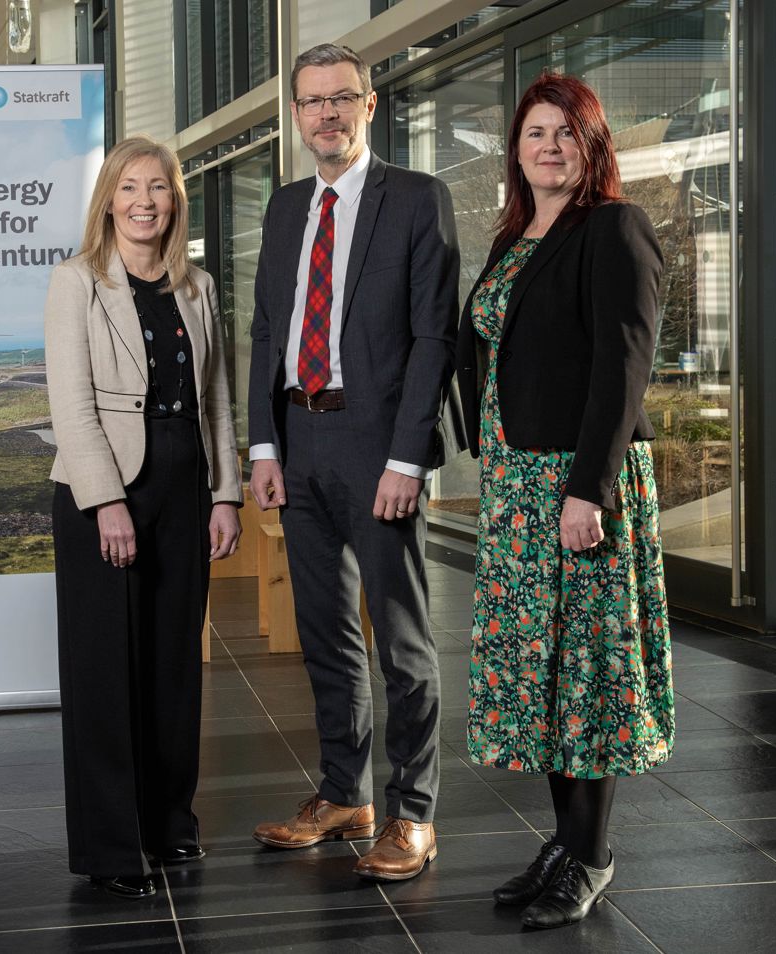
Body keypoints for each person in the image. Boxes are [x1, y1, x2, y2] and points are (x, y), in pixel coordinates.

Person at [456, 72, 673, 929]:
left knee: (585, 672)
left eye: (566, 134)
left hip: (579, 485)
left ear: (593, 148)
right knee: (541, 672)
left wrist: (588, 489)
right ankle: (562, 839)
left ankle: (591, 853)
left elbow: (624, 365)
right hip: (516, 487)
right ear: (516, 148)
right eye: (536, 133)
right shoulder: (515, 236)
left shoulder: (614, 227)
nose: (549, 147)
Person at [248, 43, 463, 882]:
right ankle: (346, 793)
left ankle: (413, 814)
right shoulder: (283, 206)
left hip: (379, 447)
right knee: (325, 635)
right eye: (312, 102)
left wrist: (408, 458)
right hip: (298, 442)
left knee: (401, 639)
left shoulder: (416, 199)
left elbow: (434, 339)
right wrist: (264, 445)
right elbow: (269, 327)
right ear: (296, 115)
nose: (326, 114)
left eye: (342, 99)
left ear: (369, 107)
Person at [44, 135, 242, 900]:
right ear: (109, 200)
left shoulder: (197, 286)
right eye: (130, 188)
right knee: (105, 672)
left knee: (172, 666)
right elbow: (72, 403)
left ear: (174, 200)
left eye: (157, 188)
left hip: (185, 482)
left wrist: (224, 495)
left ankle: (169, 823)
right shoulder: (77, 281)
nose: (144, 202)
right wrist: (106, 503)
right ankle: (112, 847)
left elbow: (217, 398)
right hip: (106, 489)